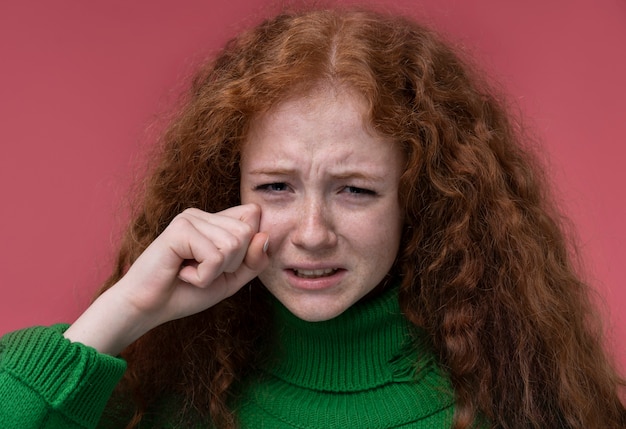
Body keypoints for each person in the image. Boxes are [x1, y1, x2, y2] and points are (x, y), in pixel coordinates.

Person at [1, 5, 624, 429]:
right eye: (276, 186)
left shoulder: (522, 403)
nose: (312, 233)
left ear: (419, 196)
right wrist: (126, 310)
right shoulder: (147, 397)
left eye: (355, 190)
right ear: (227, 190)